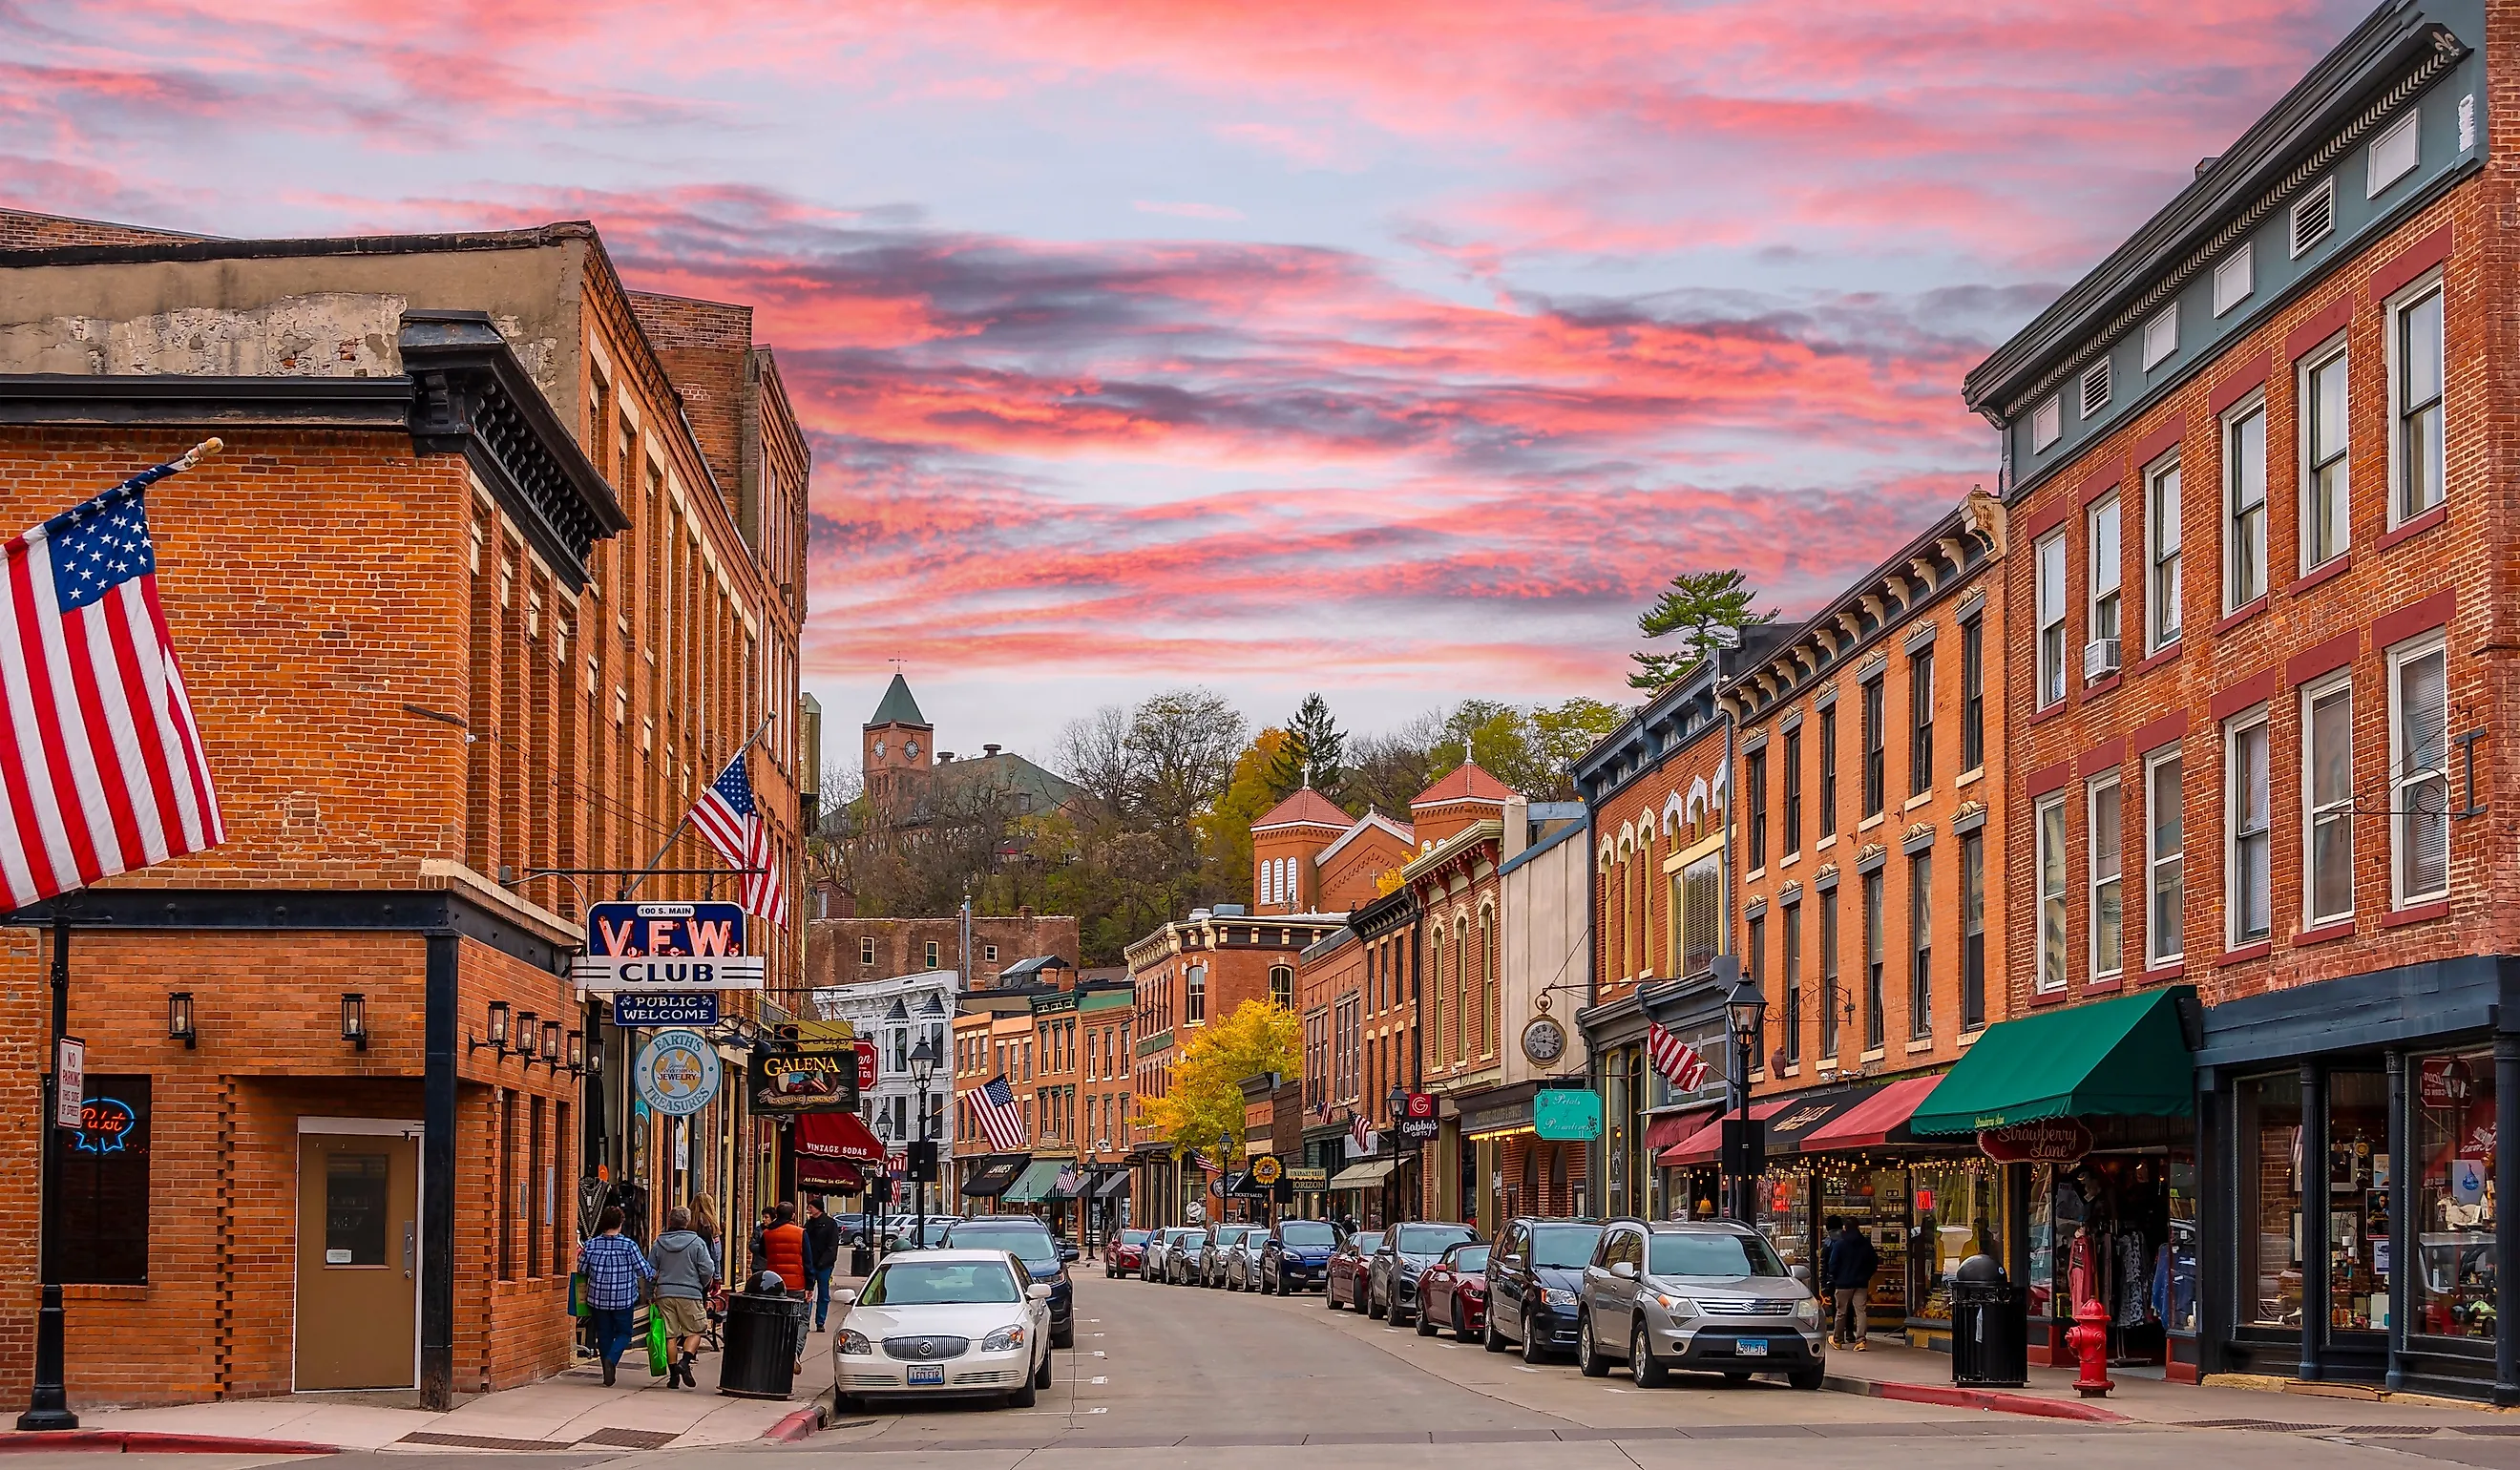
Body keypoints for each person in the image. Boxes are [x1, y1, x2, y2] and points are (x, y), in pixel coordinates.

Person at [577, 1206, 654, 1386]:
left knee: (603, 1334)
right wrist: (655, 1275)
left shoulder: (591, 1245)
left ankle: (606, 1370)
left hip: (598, 1298)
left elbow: (581, 1269)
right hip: (623, 1298)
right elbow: (644, 1270)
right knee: (624, 1333)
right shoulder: (629, 1246)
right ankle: (612, 1359)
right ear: (620, 1224)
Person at [648, 1208, 717, 1389]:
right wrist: (701, 1284)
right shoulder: (697, 1243)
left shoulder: (659, 1243)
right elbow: (707, 1269)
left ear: (670, 1221)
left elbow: (650, 1270)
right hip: (690, 1292)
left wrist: (650, 1292)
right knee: (696, 1329)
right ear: (687, 1222)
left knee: (670, 1334)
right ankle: (684, 1363)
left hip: (664, 1293)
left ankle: (673, 1378)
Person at [761, 1201, 811, 1373]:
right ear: (793, 1216)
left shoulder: (767, 1233)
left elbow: (762, 1252)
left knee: (775, 1320)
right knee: (801, 1321)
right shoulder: (800, 1233)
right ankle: (794, 1352)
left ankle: (775, 1354)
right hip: (797, 1284)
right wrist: (810, 1286)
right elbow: (808, 1261)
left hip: (773, 1284)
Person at [1822, 1215, 1880, 1352]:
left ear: (1845, 1228)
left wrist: (1835, 1278)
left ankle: (1837, 1340)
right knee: (1861, 1311)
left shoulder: (1840, 1244)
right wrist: (1866, 1276)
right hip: (1861, 1283)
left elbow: (1832, 1264)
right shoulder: (1865, 1243)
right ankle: (1861, 1340)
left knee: (1841, 1312)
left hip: (1843, 1283)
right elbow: (1873, 1262)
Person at [803, 1197, 844, 1333]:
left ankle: (820, 1322)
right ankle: (805, 1320)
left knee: (823, 1295)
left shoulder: (830, 1224)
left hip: (824, 1265)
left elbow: (832, 1246)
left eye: (811, 1208)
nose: (809, 1210)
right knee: (808, 1293)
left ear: (818, 1208)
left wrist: (824, 1262)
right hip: (810, 1263)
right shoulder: (808, 1224)